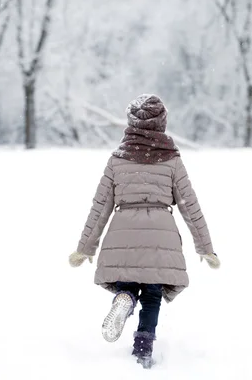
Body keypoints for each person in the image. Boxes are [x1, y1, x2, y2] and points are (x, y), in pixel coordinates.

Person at [68, 94, 220, 368]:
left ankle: (124, 297)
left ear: (132, 123)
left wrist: (85, 247)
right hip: (160, 234)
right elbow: (189, 205)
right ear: (162, 123)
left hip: (123, 229)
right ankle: (143, 348)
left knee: (128, 280)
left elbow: (100, 207)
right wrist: (205, 247)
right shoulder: (172, 160)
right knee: (152, 294)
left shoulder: (118, 160)